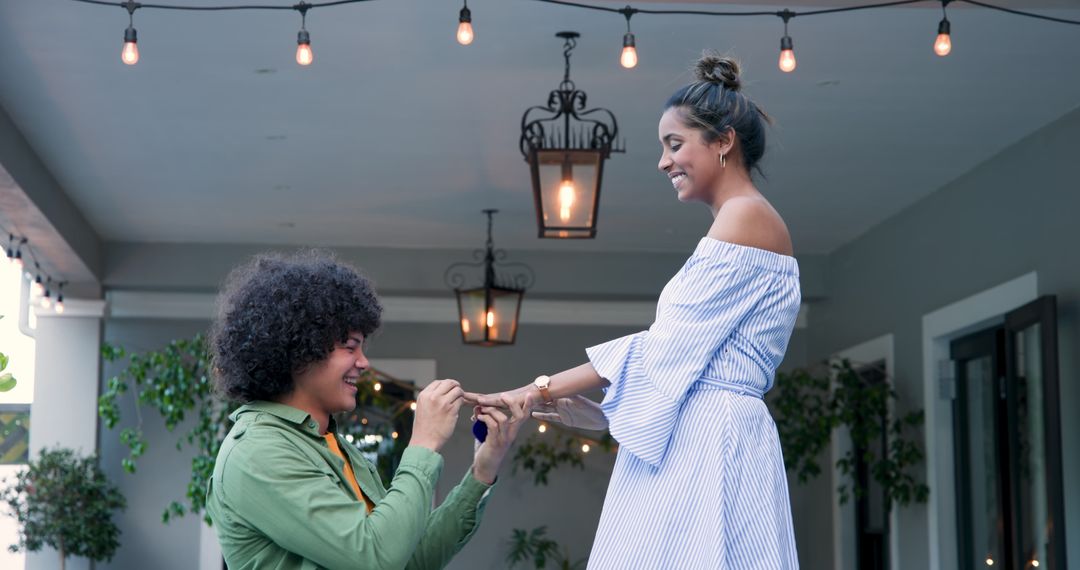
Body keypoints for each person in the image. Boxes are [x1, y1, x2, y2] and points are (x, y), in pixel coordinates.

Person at [470, 54, 801, 569]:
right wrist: (545, 400)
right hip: (700, 432)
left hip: (713, 439)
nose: (663, 162)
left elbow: (659, 349)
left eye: (675, 144)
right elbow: (676, 359)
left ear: (723, 142)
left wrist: (535, 389)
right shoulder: (740, 220)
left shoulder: (746, 218)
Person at [205, 250, 526, 570]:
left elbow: (410, 560)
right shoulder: (258, 452)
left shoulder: (333, 446)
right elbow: (375, 558)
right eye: (349, 347)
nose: (363, 362)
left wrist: (483, 470)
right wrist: (423, 443)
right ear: (299, 350)